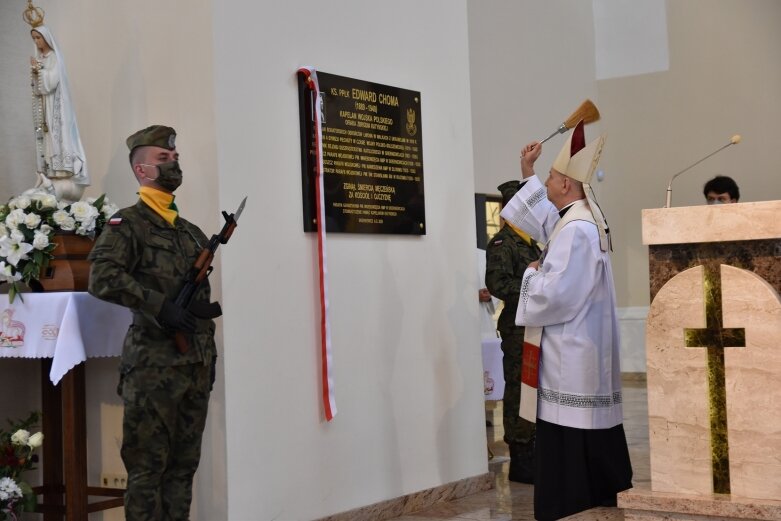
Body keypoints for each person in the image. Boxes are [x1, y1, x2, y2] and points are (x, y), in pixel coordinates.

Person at [500, 120, 632, 520]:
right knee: (587, 440)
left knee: (569, 444)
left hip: (570, 354)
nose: (550, 182)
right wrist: (529, 172)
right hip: (583, 349)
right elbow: (545, 222)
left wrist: (531, 274)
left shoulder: (576, 229)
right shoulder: (581, 218)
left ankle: (570, 507)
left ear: (565, 186)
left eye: (553, 177)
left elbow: (557, 293)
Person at [88, 125, 220, 520]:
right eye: (164, 159)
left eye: (175, 157)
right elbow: (103, 278)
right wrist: (159, 306)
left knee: (183, 470)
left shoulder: (190, 232)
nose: (174, 162)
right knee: (147, 473)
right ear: (142, 171)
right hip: (153, 368)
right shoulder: (127, 224)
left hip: (194, 366)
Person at [485, 180, 541, 484]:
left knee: (535, 391)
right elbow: (498, 285)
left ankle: (535, 448)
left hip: (536, 325)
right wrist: (533, 281)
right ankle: (520, 456)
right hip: (518, 329)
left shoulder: (532, 242)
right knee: (519, 391)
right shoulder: (502, 243)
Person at [29, 25, 90, 202]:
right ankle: (51, 172)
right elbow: (39, 88)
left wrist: (39, 70)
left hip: (56, 105)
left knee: (58, 135)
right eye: (34, 38)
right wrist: (35, 71)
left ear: (46, 38)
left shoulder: (54, 57)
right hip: (45, 104)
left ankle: (62, 170)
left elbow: (52, 81)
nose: (36, 42)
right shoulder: (41, 58)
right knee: (48, 137)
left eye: (38, 37)